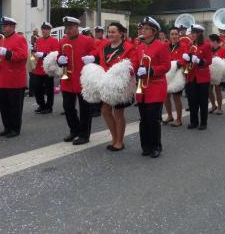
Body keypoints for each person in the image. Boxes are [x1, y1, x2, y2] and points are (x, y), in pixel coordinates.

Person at [91, 22, 137, 151]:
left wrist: (123, 73)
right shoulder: (104, 46)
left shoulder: (129, 47)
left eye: (113, 32)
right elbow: (100, 61)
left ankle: (119, 141)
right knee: (105, 111)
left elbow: (133, 64)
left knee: (118, 113)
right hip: (106, 84)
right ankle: (114, 136)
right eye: (109, 32)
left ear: (121, 33)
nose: (110, 34)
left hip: (120, 85)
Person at [135, 17, 171, 158]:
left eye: (146, 28)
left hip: (156, 87)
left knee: (153, 119)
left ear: (154, 31)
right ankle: (145, 146)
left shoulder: (161, 46)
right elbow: (138, 63)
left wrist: (151, 70)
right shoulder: (140, 47)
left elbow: (166, 66)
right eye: (143, 28)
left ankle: (156, 146)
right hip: (142, 87)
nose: (143, 30)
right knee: (143, 119)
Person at [58, 16, 96, 145]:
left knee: (85, 109)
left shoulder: (88, 40)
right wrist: (59, 61)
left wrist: (92, 58)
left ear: (76, 27)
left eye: (70, 27)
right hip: (68, 80)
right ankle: (74, 130)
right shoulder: (63, 42)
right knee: (68, 107)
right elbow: (59, 57)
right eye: (66, 28)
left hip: (83, 80)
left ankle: (84, 134)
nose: (68, 30)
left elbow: (97, 54)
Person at [0, 17, 29, 138]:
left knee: (15, 106)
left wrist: (8, 53)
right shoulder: (0, 39)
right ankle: (7, 127)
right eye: (3, 26)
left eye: (7, 26)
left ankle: (15, 128)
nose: (4, 28)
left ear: (13, 27)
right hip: (2, 77)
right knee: (4, 106)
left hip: (15, 78)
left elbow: (23, 56)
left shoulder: (20, 39)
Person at [183, 24, 212, 130]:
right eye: (192, 33)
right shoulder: (190, 45)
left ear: (200, 33)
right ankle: (193, 121)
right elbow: (188, 58)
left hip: (202, 77)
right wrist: (186, 58)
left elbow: (209, 61)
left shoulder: (206, 45)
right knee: (192, 100)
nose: (193, 35)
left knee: (203, 101)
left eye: (195, 33)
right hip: (191, 76)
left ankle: (203, 122)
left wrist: (199, 61)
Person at [30, 22, 59, 114]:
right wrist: (33, 50)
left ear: (49, 30)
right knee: (36, 86)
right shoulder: (39, 40)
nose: (44, 31)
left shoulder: (54, 41)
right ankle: (41, 104)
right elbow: (36, 51)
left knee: (49, 89)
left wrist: (44, 55)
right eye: (42, 29)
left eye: (46, 29)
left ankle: (49, 107)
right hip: (38, 68)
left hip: (49, 69)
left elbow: (55, 55)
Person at [163, 27, 185, 126]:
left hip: (177, 74)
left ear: (179, 35)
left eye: (176, 34)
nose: (174, 36)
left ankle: (179, 119)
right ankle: (170, 115)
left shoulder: (183, 46)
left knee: (176, 97)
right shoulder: (165, 46)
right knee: (165, 96)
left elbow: (185, 59)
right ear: (169, 35)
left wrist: (176, 64)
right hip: (167, 74)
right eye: (172, 34)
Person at [208, 33, 225, 115]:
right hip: (210, 72)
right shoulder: (209, 49)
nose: (209, 42)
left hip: (218, 73)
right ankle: (213, 105)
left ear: (215, 41)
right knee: (209, 90)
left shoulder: (224, 49)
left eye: (210, 41)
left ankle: (220, 108)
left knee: (218, 90)